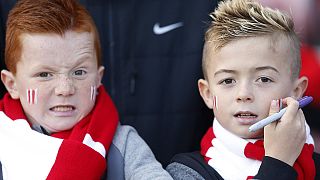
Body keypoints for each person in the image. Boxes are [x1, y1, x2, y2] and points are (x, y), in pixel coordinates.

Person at [0, 0, 172, 179]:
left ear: (99, 78)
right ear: (12, 84)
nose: (65, 89)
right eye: (45, 74)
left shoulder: (121, 144)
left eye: (79, 72)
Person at [166, 0, 320, 179]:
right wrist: (279, 162)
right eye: (228, 80)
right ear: (207, 94)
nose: (244, 94)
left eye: (263, 79)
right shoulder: (188, 172)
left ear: (297, 91)